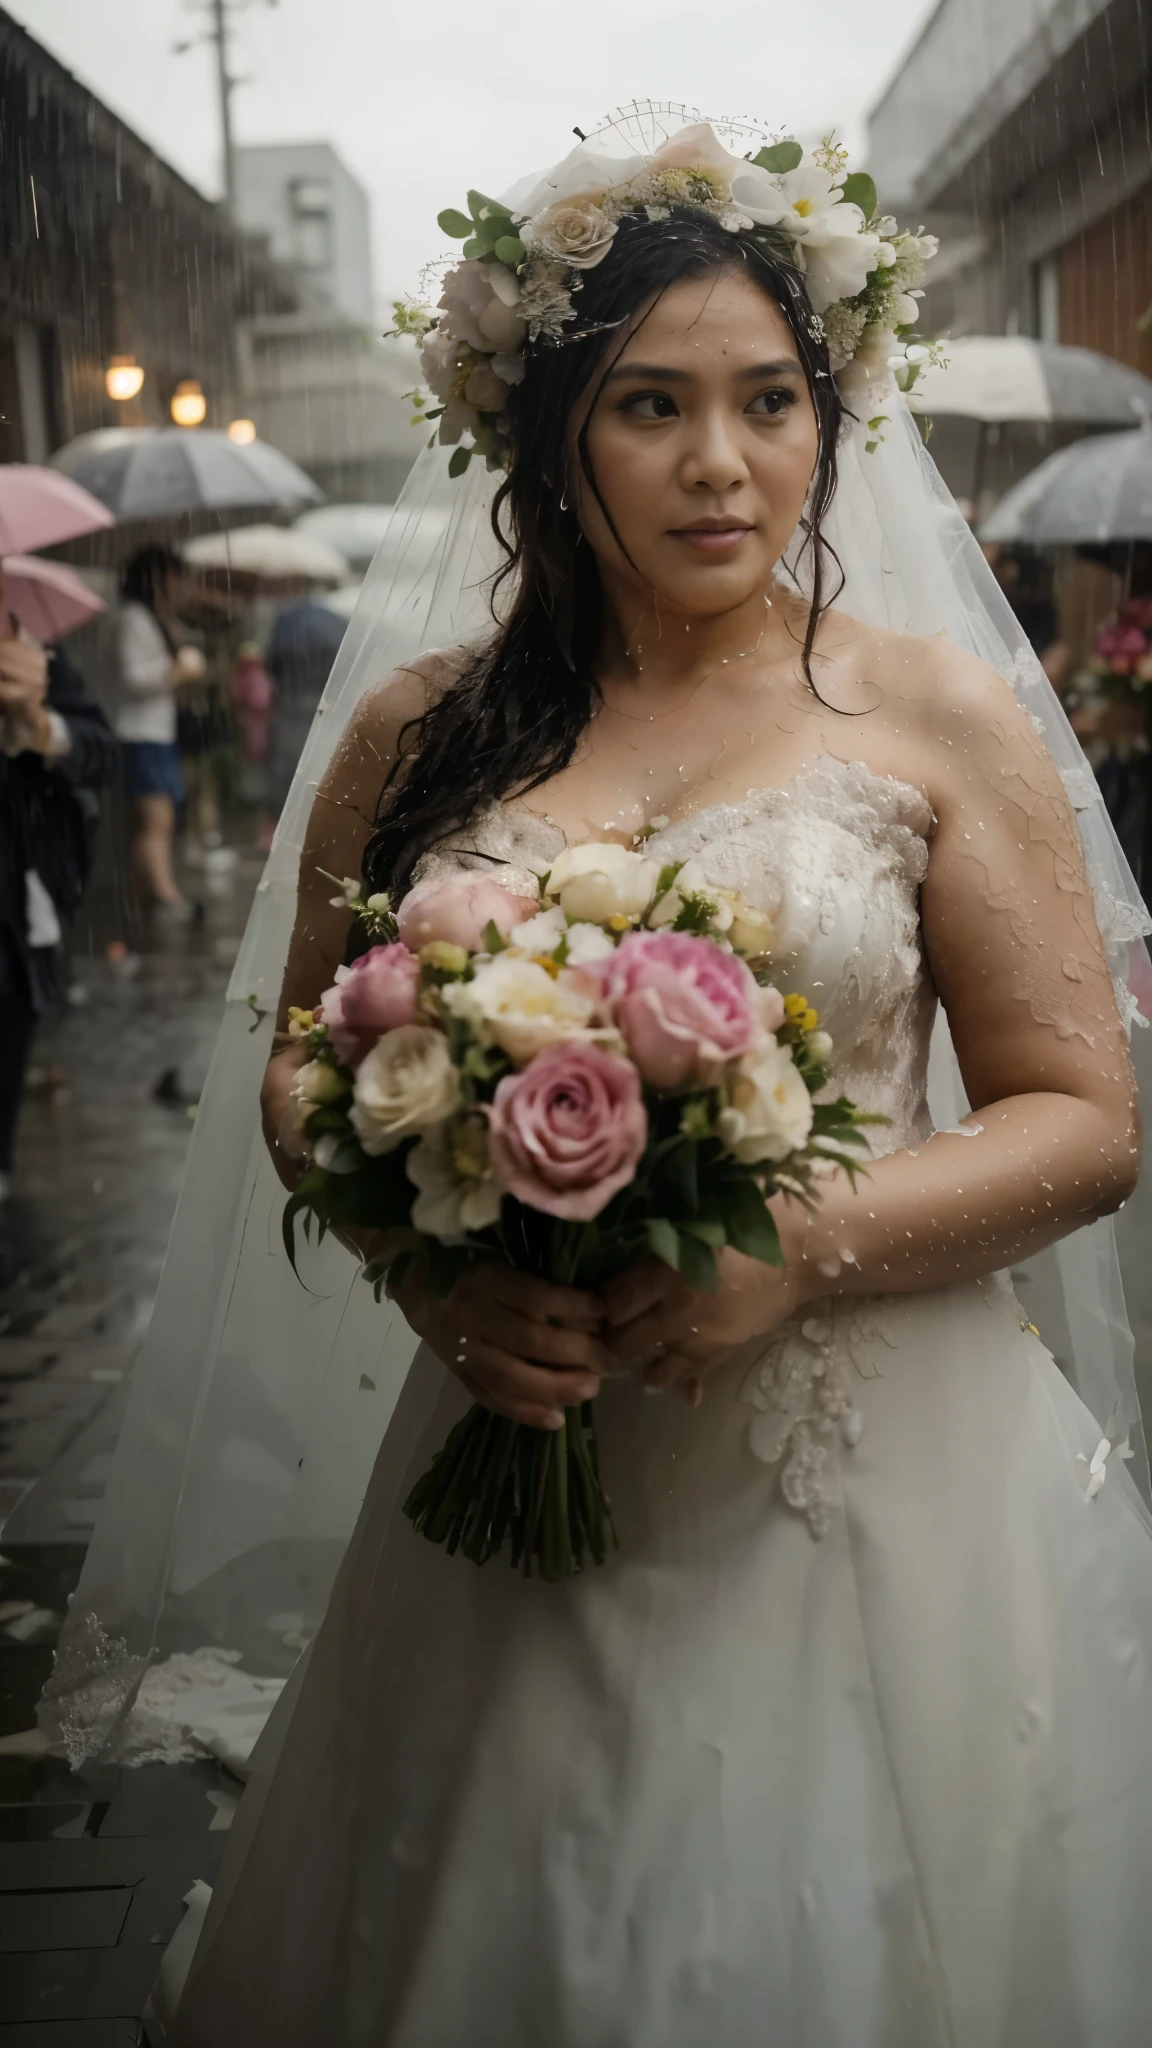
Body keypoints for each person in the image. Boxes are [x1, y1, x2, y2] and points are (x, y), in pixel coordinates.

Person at [59, 118, 1152, 2045]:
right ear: (552, 433)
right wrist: (435, 1273)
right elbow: (309, 1074)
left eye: (765, 402)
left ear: (831, 421)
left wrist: (796, 1238)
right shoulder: (420, 728)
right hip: (520, 1431)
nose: (717, 462)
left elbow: (1082, 1114)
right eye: (650, 404)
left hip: (881, 1468)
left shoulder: (932, 710)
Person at [0, 571, 118, 1196]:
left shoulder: (37, 653)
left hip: (16, 892)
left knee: (14, 1014)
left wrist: (38, 723)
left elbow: (101, 751)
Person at [115, 547, 205, 921]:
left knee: (148, 822)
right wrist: (179, 670)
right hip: (142, 733)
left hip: (152, 732)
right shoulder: (134, 618)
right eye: (176, 577)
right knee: (157, 820)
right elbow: (135, 677)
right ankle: (165, 898)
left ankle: (146, 899)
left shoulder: (148, 618)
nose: (181, 586)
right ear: (159, 579)